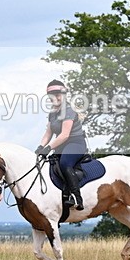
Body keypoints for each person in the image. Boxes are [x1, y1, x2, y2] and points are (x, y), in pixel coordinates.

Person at [35, 80, 87, 210]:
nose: (56, 97)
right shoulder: (52, 114)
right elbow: (48, 133)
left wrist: (48, 148)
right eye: (52, 95)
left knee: (64, 163)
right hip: (61, 145)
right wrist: (40, 147)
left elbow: (64, 135)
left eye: (58, 94)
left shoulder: (68, 110)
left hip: (75, 143)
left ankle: (76, 197)